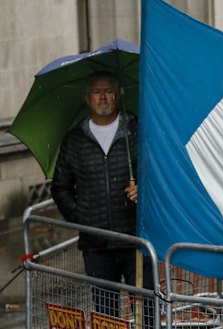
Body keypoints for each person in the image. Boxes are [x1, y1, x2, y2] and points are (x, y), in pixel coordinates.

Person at [51, 72, 154, 326]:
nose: (103, 97)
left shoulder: (137, 130)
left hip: (135, 239)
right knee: (106, 316)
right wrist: (81, 217)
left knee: (147, 312)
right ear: (87, 98)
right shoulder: (75, 139)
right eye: (97, 92)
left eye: (108, 91)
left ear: (117, 96)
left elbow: (159, 173)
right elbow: (60, 187)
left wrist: (144, 190)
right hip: (96, 246)